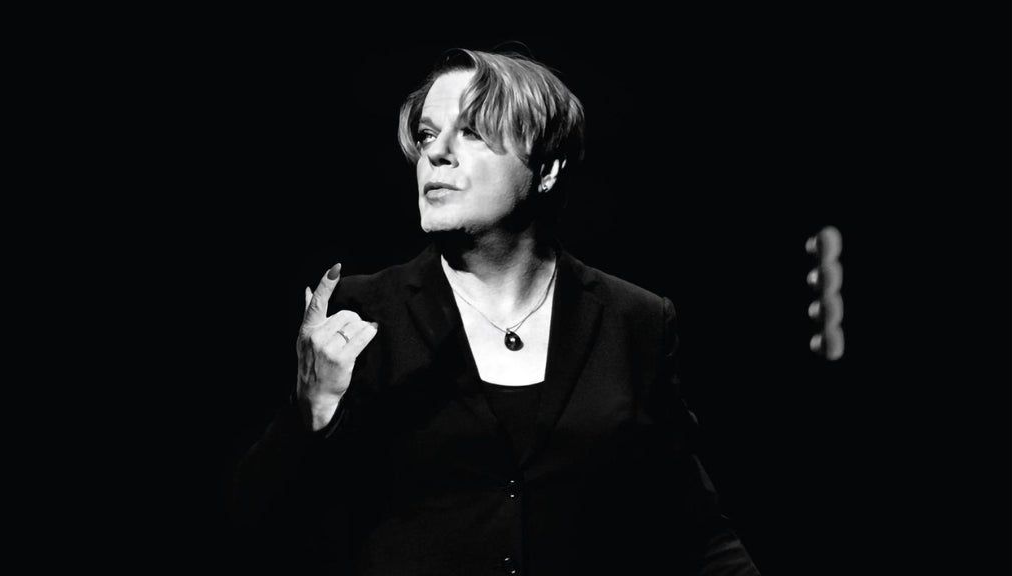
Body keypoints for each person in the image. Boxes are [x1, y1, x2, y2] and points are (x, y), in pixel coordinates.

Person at [232, 48, 760, 575]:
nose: (437, 154)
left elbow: (694, 530)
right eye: (427, 135)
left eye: (472, 133)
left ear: (546, 170)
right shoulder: (356, 317)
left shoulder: (635, 320)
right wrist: (310, 413)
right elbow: (250, 528)